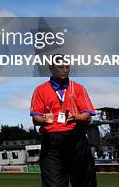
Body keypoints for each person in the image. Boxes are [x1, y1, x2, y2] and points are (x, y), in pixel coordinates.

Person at [30, 56, 96, 187]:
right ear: (51, 69)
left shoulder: (78, 88)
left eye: (67, 67)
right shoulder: (40, 90)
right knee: (53, 184)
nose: (65, 70)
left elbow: (87, 115)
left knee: (85, 183)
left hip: (76, 139)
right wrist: (44, 120)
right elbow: (35, 118)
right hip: (52, 143)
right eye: (60, 67)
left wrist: (75, 117)